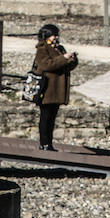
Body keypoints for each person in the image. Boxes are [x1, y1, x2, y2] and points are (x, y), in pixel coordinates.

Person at [32, 22, 78, 152]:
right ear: (46, 36)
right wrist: (63, 58)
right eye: (53, 35)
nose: (56, 38)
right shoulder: (42, 49)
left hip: (57, 90)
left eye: (57, 35)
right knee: (45, 117)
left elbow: (65, 66)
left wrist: (72, 60)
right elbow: (47, 65)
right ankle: (44, 144)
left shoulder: (60, 48)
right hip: (46, 90)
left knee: (52, 119)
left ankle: (49, 144)